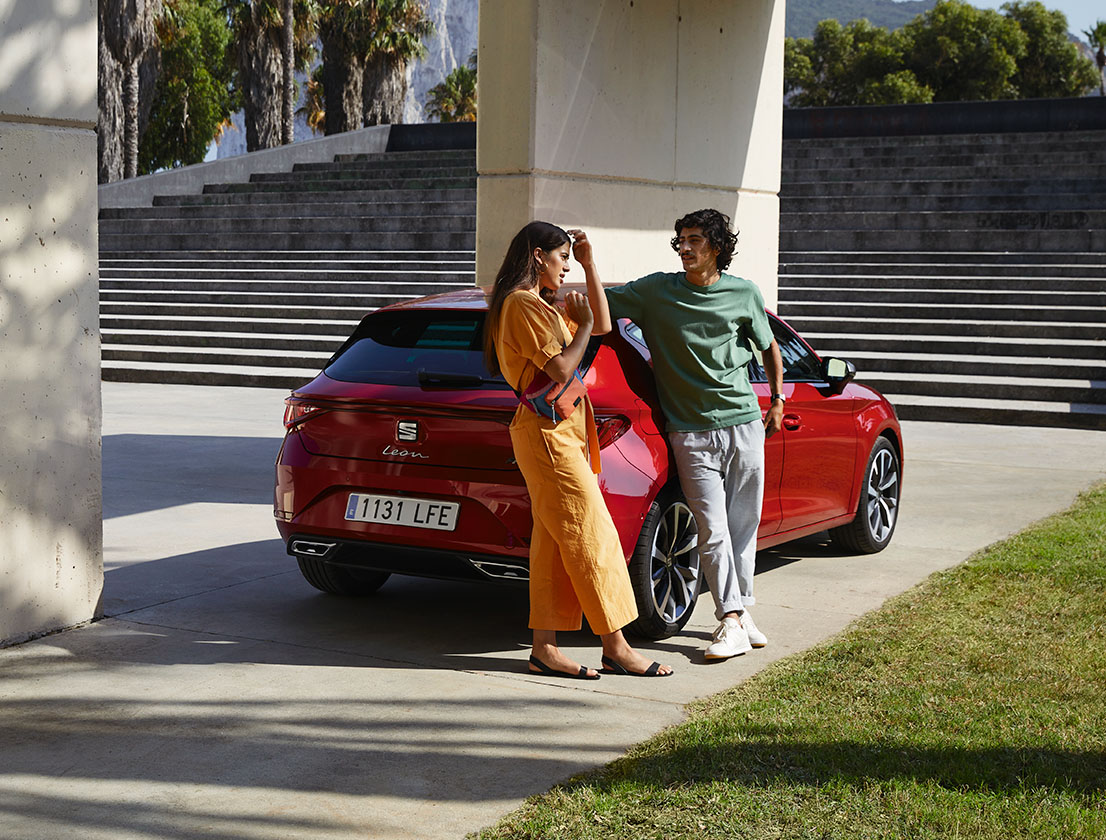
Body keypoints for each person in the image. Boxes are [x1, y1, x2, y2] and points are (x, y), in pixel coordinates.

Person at [484, 221, 673, 679]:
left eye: (570, 258)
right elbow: (563, 364)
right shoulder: (520, 305)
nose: (566, 265)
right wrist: (584, 324)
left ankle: (544, 648)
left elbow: (604, 324)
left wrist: (590, 265)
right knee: (593, 536)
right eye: (563, 257)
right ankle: (617, 646)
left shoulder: (544, 306)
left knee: (553, 544)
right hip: (548, 437)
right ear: (537, 256)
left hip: (562, 431)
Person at [605, 209, 784, 661]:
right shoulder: (655, 292)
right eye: (681, 239)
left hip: (744, 424)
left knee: (743, 526)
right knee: (712, 527)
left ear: (718, 247)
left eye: (696, 240)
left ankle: (742, 612)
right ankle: (729, 620)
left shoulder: (744, 293)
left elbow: (769, 344)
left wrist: (779, 398)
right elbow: (601, 304)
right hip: (690, 432)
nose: (685, 247)